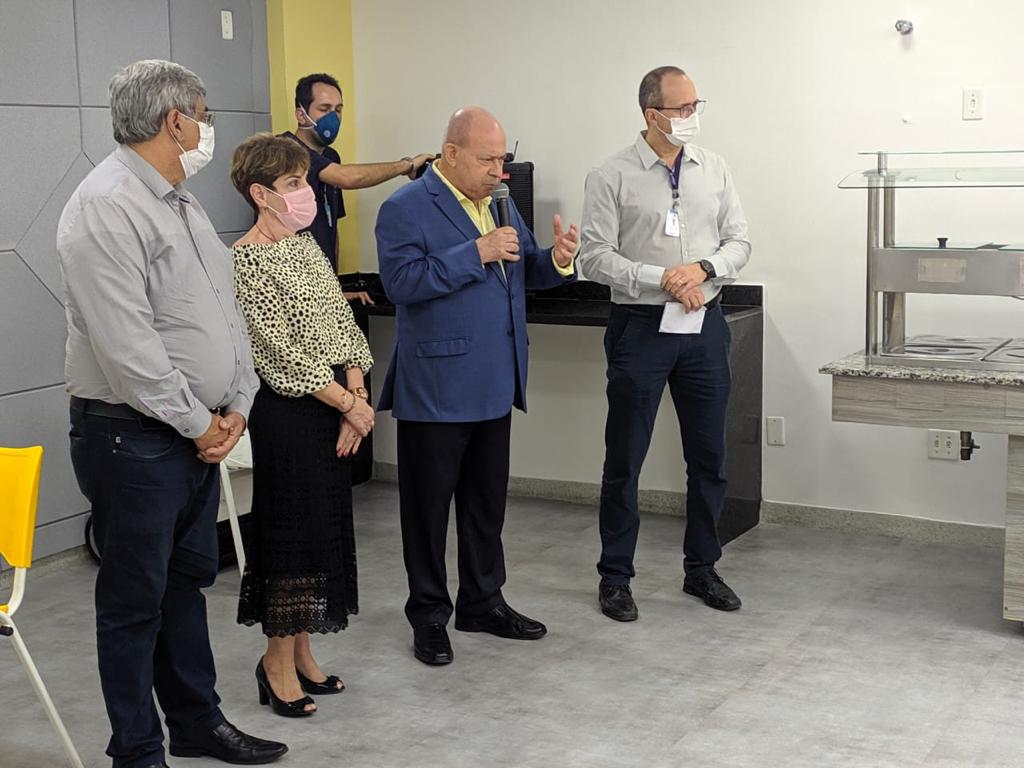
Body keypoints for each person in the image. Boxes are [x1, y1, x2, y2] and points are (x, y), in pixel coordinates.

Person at [58, 60, 287, 768]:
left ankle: (196, 724)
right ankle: (136, 751)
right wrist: (199, 422)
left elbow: (224, 314)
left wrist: (238, 401)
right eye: (204, 115)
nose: (208, 128)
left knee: (186, 586)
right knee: (134, 603)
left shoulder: (180, 203)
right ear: (174, 121)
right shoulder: (106, 206)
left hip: (195, 433)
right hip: (134, 439)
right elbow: (128, 349)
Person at [375, 106, 579, 666]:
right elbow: (401, 283)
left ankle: (483, 602)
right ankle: (428, 615)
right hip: (436, 386)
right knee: (427, 512)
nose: (498, 171)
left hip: (495, 377)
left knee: (485, 506)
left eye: (502, 159)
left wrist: (558, 261)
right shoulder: (404, 207)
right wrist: (476, 252)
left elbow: (524, 269)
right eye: (487, 160)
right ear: (451, 153)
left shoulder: (501, 202)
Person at [578, 66, 751, 623]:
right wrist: (664, 278)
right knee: (625, 458)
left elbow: (739, 242)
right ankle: (615, 577)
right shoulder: (611, 174)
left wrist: (702, 269)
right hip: (641, 327)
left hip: (704, 325)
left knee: (710, 457)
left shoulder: (714, 167)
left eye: (696, 104)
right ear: (652, 115)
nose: (692, 116)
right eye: (682, 108)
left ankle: (702, 568)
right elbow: (593, 257)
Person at [228, 133, 375, 718]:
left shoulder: (305, 245)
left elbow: (341, 321)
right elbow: (279, 354)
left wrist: (356, 393)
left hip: (334, 405)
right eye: (292, 183)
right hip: (290, 413)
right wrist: (347, 404)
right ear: (260, 194)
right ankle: (275, 663)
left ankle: (303, 650)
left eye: (303, 181)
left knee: (321, 535)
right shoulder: (246, 260)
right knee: (290, 537)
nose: (304, 192)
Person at [281, 72, 435, 284]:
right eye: (324, 109)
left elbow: (332, 228)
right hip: (291, 279)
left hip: (323, 283)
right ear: (301, 114)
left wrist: (335, 285)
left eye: (338, 110)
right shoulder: (285, 151)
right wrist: (406, 165)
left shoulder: (331, 157)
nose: (333, 118)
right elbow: (348, 178)